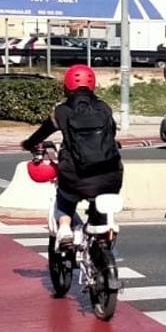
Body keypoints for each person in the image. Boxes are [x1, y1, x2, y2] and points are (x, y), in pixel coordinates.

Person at [21, 65, 122, 247]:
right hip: (110, 173)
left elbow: (43, 133)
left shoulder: (62, 111)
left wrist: (28, 144)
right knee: (101, 197)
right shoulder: (104, 108)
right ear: (93, 85)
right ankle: (101, 234)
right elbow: (112, 133)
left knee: (65, 197)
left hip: (76, 174)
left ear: (66, 86)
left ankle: (65, 229)